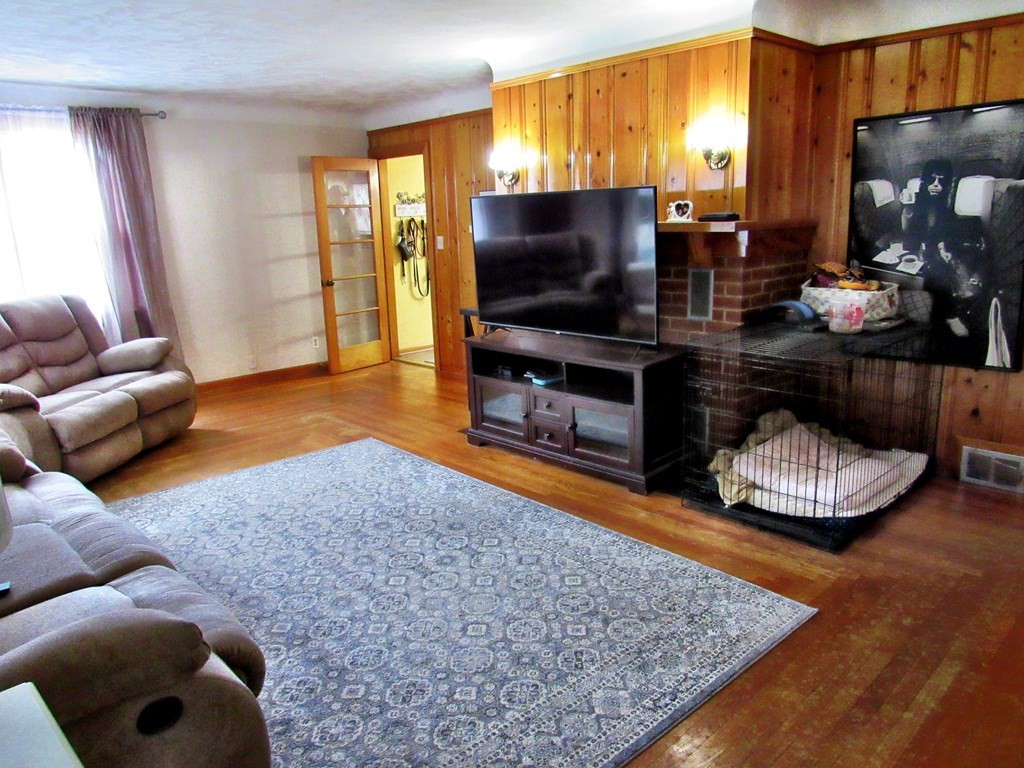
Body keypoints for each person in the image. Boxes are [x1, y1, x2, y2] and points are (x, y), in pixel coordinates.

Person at [902, 158, 989, 365]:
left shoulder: (946, 211)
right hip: (913, 257)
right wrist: (906, 212)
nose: (936, 186)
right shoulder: (913, 208)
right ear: (924, 182)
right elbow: (909, 240)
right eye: (932, 180)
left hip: (932, 256)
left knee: (951, 267)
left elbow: (942, 238)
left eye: (942, 182)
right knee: (937, 273)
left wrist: (943, 249)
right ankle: (951, 317)